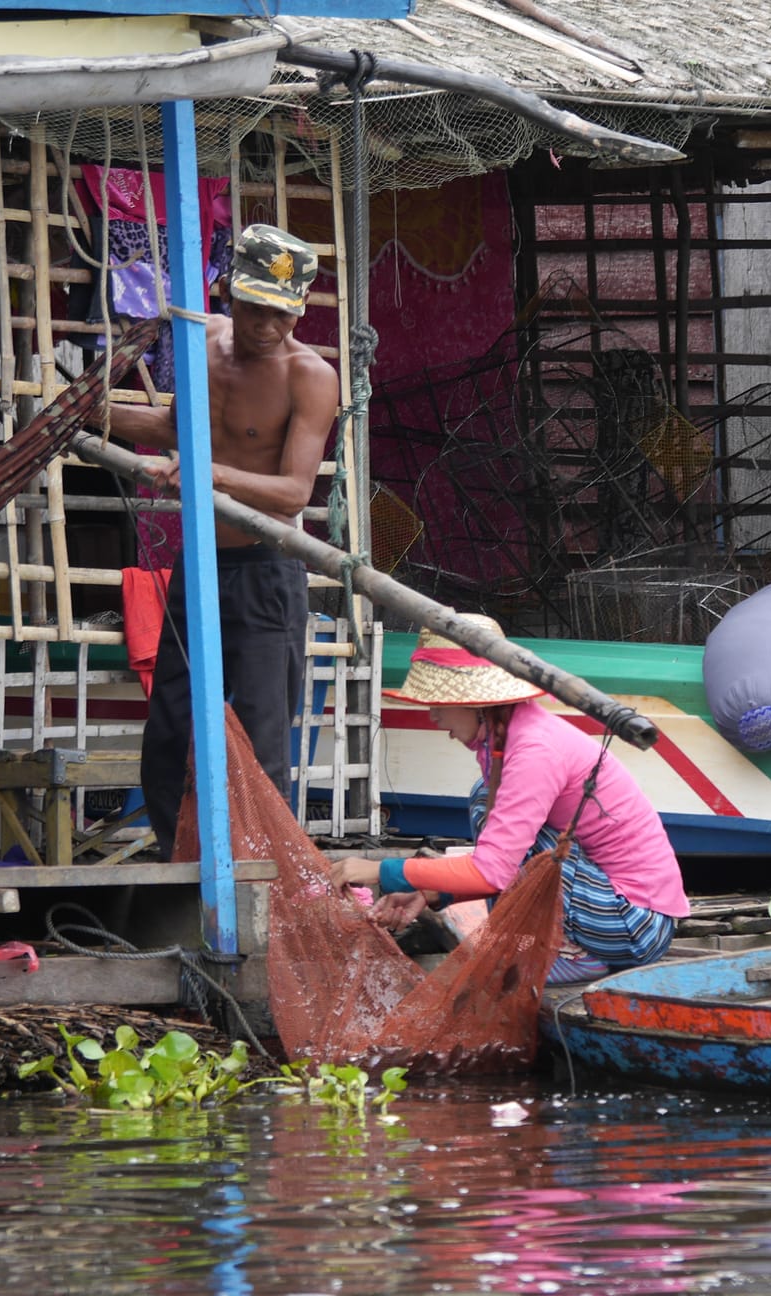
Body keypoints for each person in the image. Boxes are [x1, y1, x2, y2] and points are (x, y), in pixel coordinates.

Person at [106, 223, 342, 851]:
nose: (267, 325)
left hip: (268, 573)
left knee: (263, 742)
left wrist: (206, 469)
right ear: (227, 293)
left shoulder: (310, 375)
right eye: (254, 307)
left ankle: (264, 876)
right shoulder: (200, 339)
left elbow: (293, 492)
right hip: (199, 568)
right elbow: (178, 426)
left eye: (281, 313)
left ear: (300, 310)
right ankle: (177, 863)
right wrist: (94, 413)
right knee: (169, 734)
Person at [329, 622, 689, 983]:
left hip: (633, 924)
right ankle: (552, 946)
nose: (433, 716)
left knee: (502, 823)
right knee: (485, 799)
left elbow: (493, 871)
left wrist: (381, 871)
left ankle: (576, 954)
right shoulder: (503, 741)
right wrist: (428, 892)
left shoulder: (534, 749)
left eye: (439, 704)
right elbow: (497, 862)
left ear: (476, 702)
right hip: (606, 907)